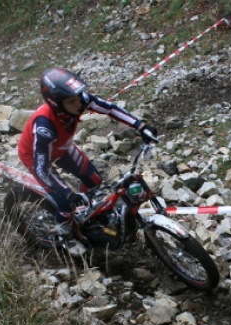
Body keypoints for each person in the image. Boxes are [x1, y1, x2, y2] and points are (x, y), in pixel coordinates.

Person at [18, 67, 158, 235]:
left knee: (94, 180)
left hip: (62, 146)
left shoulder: (79, 100)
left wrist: (141, 126)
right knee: (65, 203)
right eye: (71, 101)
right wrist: (68, 194)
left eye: (78, 97)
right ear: (56, 103)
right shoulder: (44, 126)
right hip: (34, 156)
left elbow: (110, 109)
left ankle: (86, 216)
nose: (79, 104)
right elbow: (42, 169)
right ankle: (65, 234)